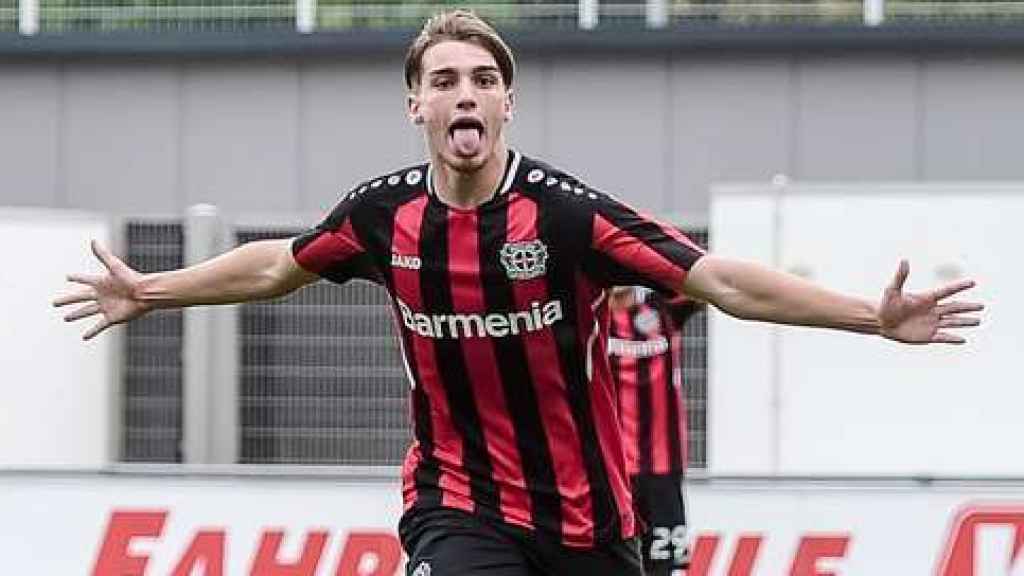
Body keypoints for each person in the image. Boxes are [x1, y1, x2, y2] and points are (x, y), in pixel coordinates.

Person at [53, 10, 983, 576]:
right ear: (416, 104)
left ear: (509, 105)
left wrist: (872, 315)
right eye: (447, 80)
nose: (469, 95)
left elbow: (721, 281)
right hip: (459, 506)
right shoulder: (382, 217)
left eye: (486, 80)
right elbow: (276, 265)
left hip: (589, 521)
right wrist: (153, 291)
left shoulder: (569, 218)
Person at [608, 286, 700, 576]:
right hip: (610, 472)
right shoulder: (585, 312)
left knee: (665, 567)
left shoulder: (663, 307)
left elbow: (710, 286)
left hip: (662, 469)